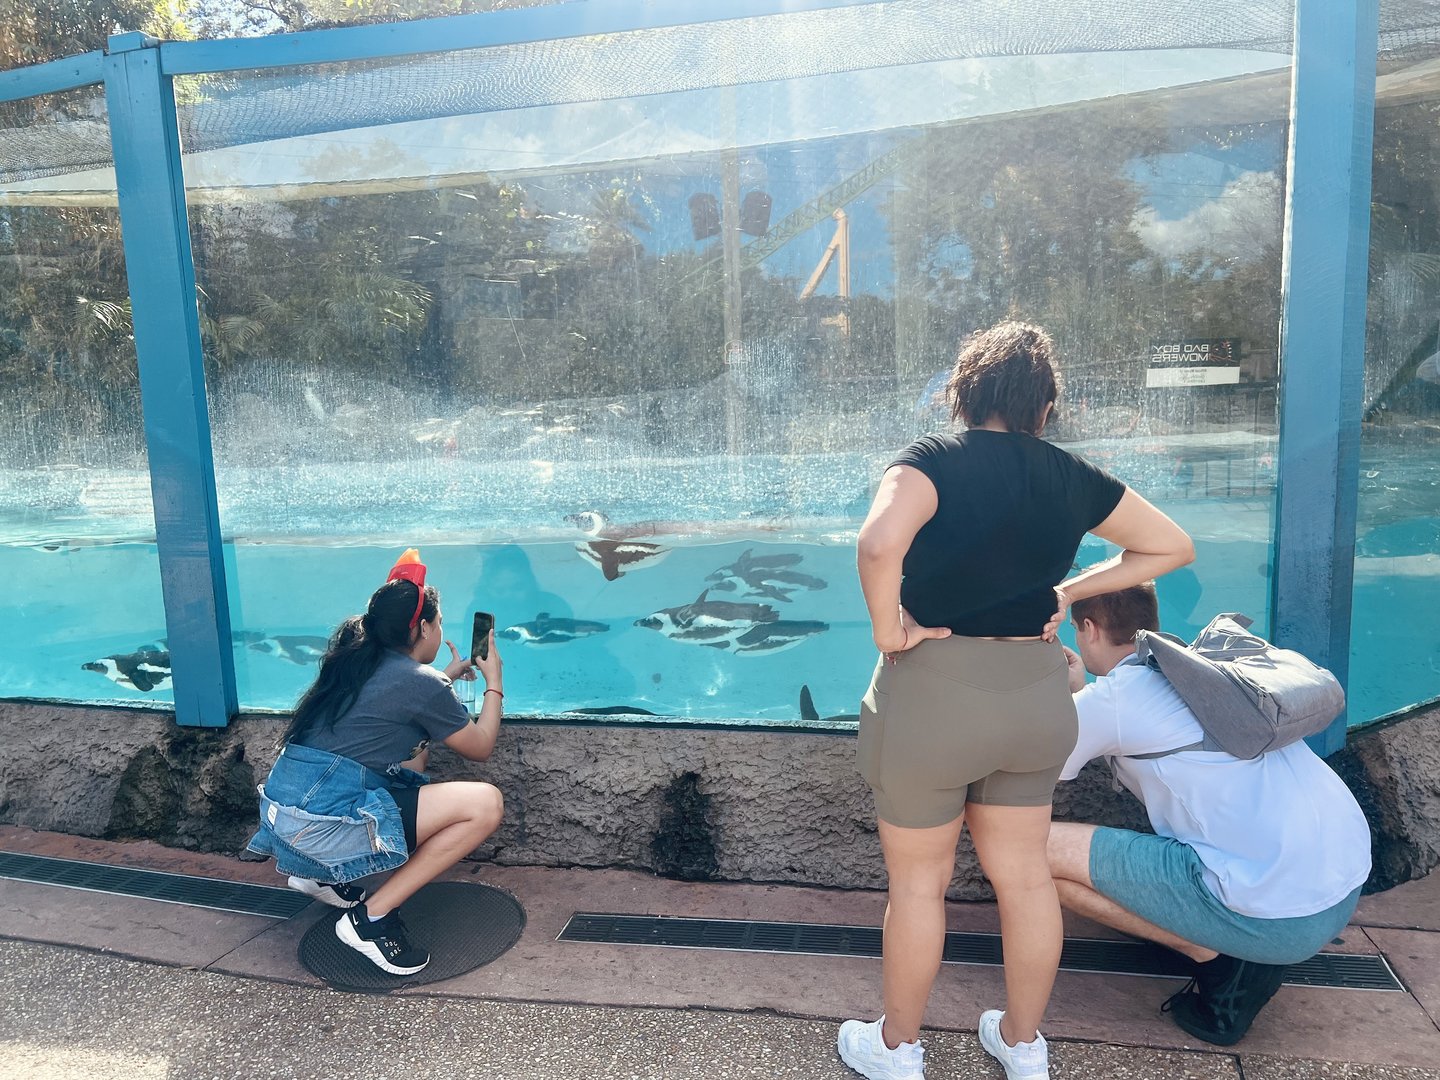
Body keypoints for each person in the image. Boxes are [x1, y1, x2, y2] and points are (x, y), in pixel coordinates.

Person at [839, 321, 1194, 1080]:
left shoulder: (931, 460)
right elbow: (1169, 546)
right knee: (1026, 879)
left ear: (964, 393)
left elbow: (877, 545)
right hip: (1037, 694)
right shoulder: (1071, 476)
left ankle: (898, 1049)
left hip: (935, 693)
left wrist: (888, 630)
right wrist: (1068, 590)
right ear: (1044, 404)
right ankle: (1024, 1044)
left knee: (918, 883)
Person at [1050, 581, 1371, 1046]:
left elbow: (1041, 763)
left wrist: (1066, 696)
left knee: (1031, 857)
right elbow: (1132, 716)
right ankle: (1220, 938)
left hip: (1277, 916)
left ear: (1089, 629)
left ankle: (1221, 960)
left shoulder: (1115, 701)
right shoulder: (1201, 673)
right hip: (1339, 889)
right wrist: (1082, 693)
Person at [247, 549, 506, 976]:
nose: (440, 630)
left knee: (411, 776)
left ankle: (321, 877)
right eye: (438, 623)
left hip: (284, 821)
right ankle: (371, 918)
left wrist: (445, 679)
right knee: (485, 804)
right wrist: (494, 682)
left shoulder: (352, 661)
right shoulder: (419, 684)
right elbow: (479, 746)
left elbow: (401, 724)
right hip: (320, 827)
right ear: (422, 627)